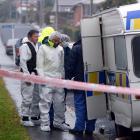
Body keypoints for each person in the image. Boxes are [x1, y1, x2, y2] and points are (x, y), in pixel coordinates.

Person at [37, 31, 70, 132]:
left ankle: (58, 122)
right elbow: (39, 66)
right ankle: (45, 123)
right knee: (45, 103)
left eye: (58, 41)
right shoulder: (43, 48)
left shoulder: (60, 49)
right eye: (55, 40)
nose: (57, 42)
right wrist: (42, 79)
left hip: (58, 79)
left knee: (60, 103)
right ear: (51, 39)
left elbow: (61, 66)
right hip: (46, 79)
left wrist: (62, 79)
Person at [68, 34, 96, 135]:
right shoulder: (96, 47)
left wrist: (68, 78)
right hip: (94, 80)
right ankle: (90, 129)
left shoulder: (76, 48)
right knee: (92, 105)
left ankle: (79, 129)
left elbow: (71, 65)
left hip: (79, 81)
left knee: (80, 105)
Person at [20, 30, 40, 126]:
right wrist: (26, 76)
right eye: (35, 36)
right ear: (29, 37)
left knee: (36, 96)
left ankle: (33, 115)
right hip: (27, 75)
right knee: (27, 97)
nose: (37, 38)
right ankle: (24, 118)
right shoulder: (25, 46)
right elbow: (23, 62)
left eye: (37, 36)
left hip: (34, 74)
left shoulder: (36, 45)